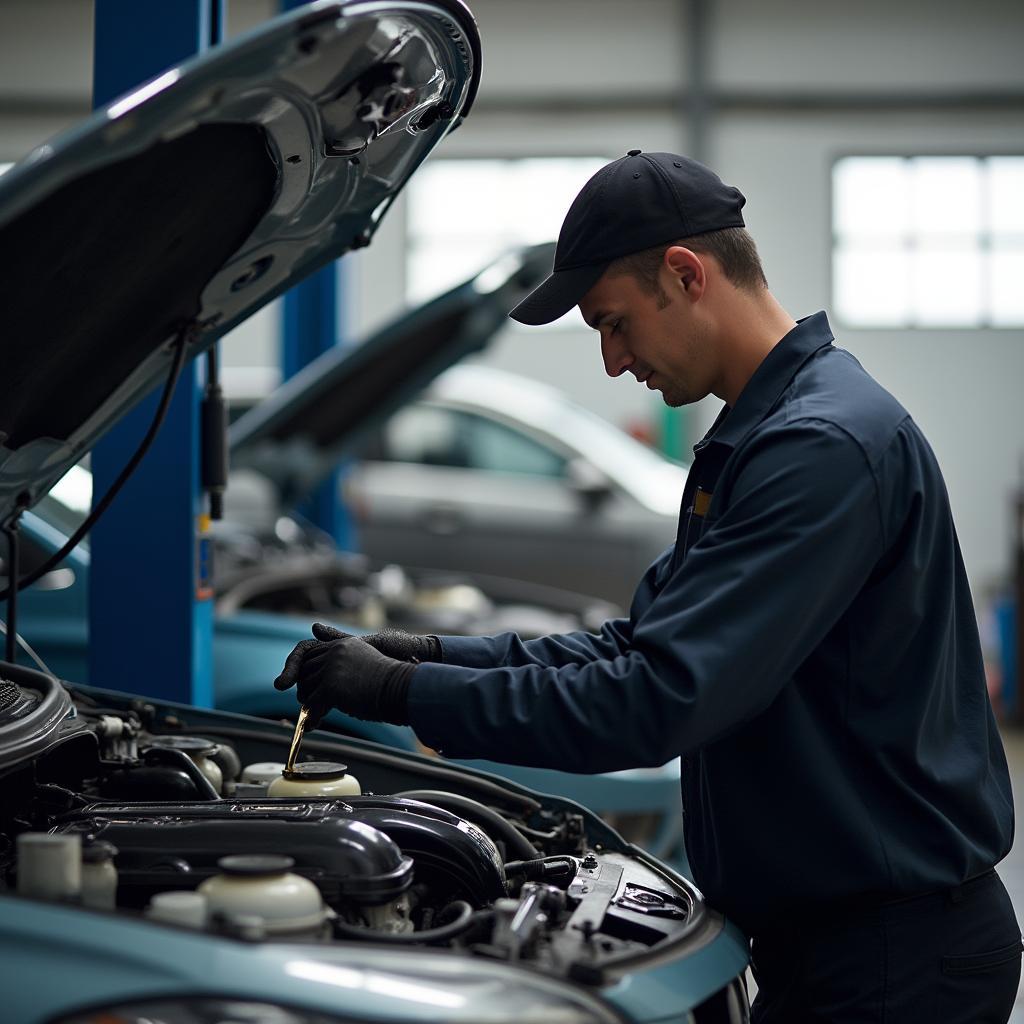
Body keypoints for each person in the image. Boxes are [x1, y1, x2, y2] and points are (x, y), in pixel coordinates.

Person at [273, 150, 1021, 1022]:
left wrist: (405, 694)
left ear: (685, 273)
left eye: (614, 323)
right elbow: (636, 644)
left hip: (892, 963)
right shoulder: (758, 441)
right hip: (833, 944)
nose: (612, 362)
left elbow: (656, 698)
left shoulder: (821, 450)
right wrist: (434, 654)